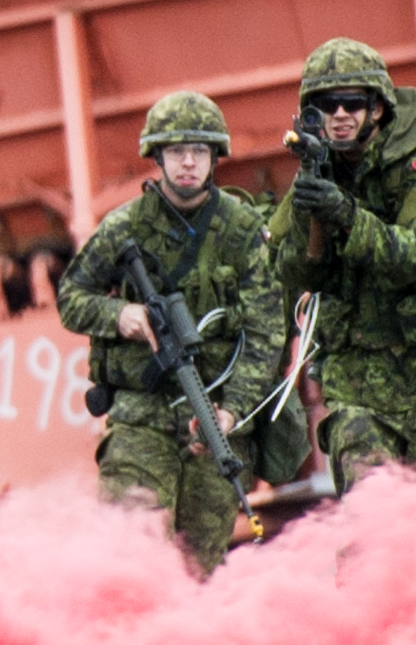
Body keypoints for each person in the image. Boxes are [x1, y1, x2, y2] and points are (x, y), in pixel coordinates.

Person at [267, 37, 416, 506]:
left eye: (352, 103)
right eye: (325, 105)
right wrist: (311, 212)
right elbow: (294, 273)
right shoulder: (317, 176)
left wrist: (345, 216)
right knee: (372, 523)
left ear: (377, 109)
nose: (339, 115)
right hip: (358, 389)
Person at [56, 91, 284, 574]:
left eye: (199, 152)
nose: (187, 163)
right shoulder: (124, 227)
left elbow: (266, 329)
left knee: (198, 567)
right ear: (157, 157)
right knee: (130, 555)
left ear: (213, 159)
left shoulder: (240, 229)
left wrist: (232, 410)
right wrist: (121, 315)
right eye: (176, 151)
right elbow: (71, 297)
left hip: (214, 418)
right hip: (141, 419)